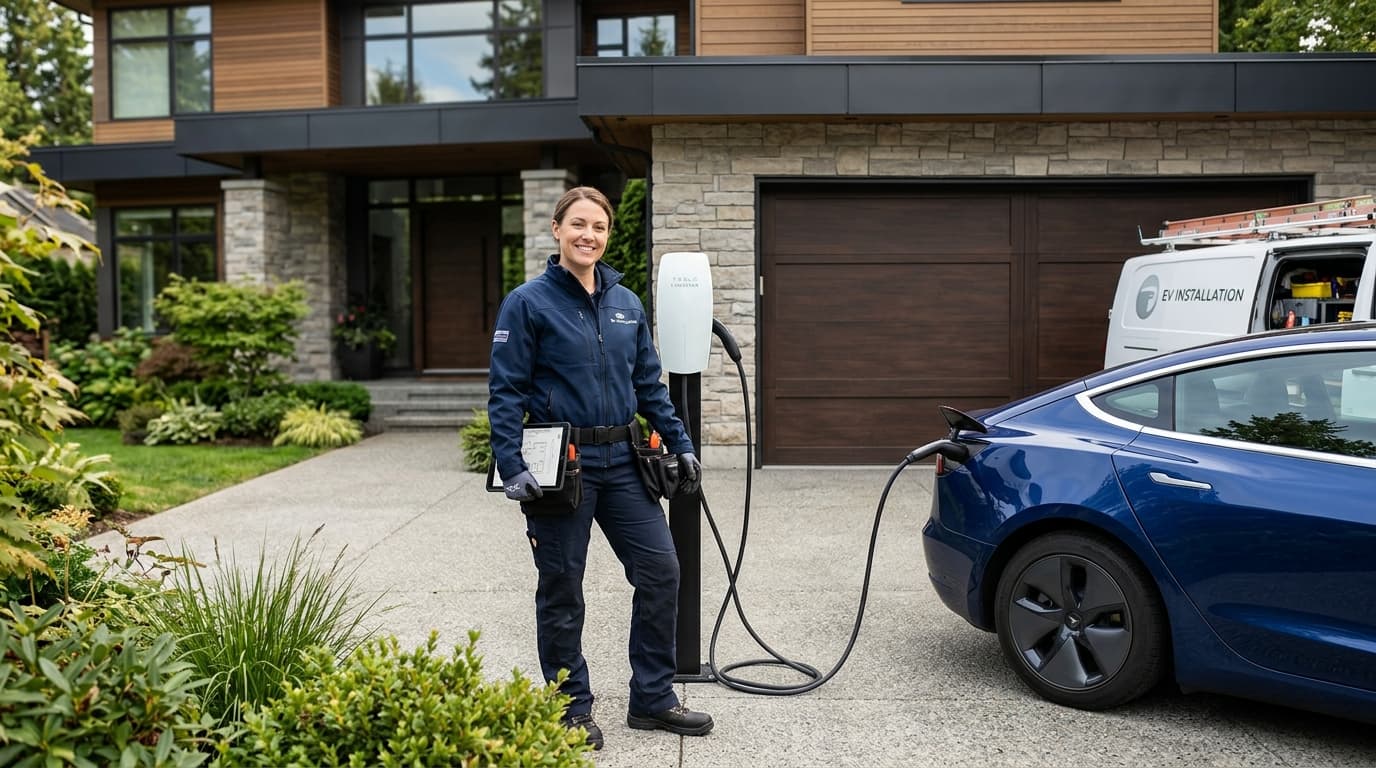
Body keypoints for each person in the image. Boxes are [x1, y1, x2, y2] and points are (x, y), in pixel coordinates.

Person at [487, 186, 714, 751]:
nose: (589, 235)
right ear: (557, 229)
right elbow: (505, 389)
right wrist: (510, 463)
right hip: (562, 466)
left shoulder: (627, 303)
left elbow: (648, 386)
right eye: (579, 225)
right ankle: (570, 708)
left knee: (662, 571)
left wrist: (681, 443)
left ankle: (653, 698)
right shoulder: (528, 302)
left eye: (600, 227)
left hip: (623, 461)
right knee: (562, 586)